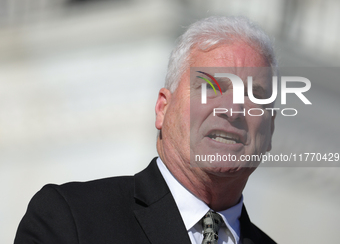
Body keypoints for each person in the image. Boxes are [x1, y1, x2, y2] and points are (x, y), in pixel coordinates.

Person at [15, 16, 277, 244]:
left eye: (255, 94)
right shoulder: (71, 217)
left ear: (270, 131)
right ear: (163, 108)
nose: (233, 110)